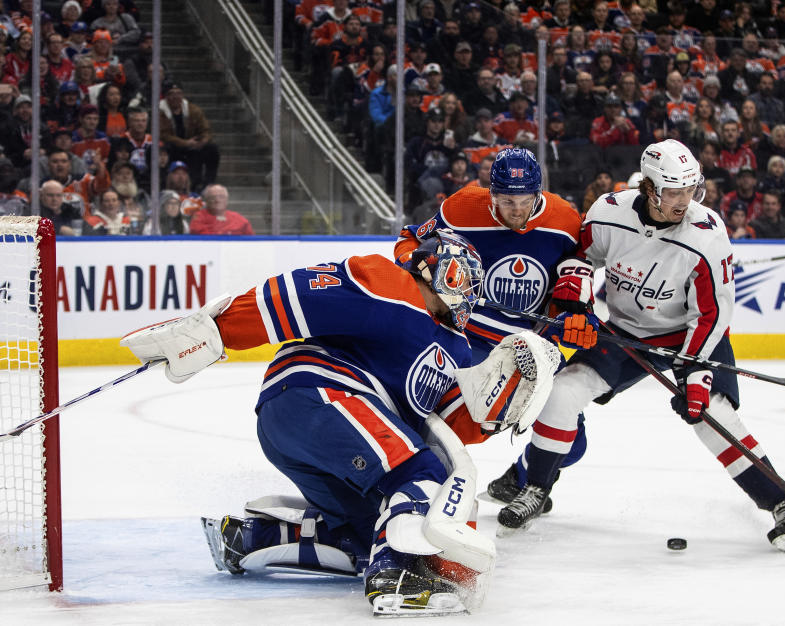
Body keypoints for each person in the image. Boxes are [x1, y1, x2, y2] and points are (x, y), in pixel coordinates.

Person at [121, 229, 557, 616]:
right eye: (465, 279)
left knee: (370, 531)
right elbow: (295, 297)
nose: (469, 294)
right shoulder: (392, 284)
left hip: (305, 425)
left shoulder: (458, 349)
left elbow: (444, 420)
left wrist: (500, 407)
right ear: (437, 268)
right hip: (321, 393)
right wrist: (221, 331)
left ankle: (251, 539)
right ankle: (395, 581)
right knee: (421, 473)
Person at [492, 139, 785, 552]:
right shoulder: (609, 212)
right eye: (673, 192)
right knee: (563, 391)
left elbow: (711, 316)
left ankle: (782, 506)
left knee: (711, 415)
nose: (685, 201)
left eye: (690, 191)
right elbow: (581, 256)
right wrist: (575, 296)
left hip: (689, 336)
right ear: (648, 189)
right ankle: (536, 489)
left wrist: (697, 375)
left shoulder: (707, 235)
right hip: (627, 332)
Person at [394, 148, 588, 509]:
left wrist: (575, 316)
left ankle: (519, 479)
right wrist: (416, 264)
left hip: (530, 347)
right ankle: (413, 486)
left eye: (525, 201)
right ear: (491, 192)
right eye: (506, 201)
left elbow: (575, 275)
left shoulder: (564, 219)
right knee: (438, 420)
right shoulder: (462, 207)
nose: (516, 210)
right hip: (468, 338)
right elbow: (409, 240)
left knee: (571, 445)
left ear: (539, 193)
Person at [158, 81, 220, 191]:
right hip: (173, 147)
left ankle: (208, 184)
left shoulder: (193, 110)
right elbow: (163, 135)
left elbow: (205, 129)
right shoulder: (160, 112)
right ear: (166, 96)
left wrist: (204, 140)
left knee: (212, 149)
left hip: (192, 146)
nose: (175, 96)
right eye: (172, 93)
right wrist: (185, 143)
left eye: (178, 93)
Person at [188, 184, 255, 235]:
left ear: (227, 200)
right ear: (206, 200)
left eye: (221, 197)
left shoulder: (238, 218)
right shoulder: (199, 216)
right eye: (213, 197)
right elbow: (197, 234)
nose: (217, 200)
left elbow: (252, 240)